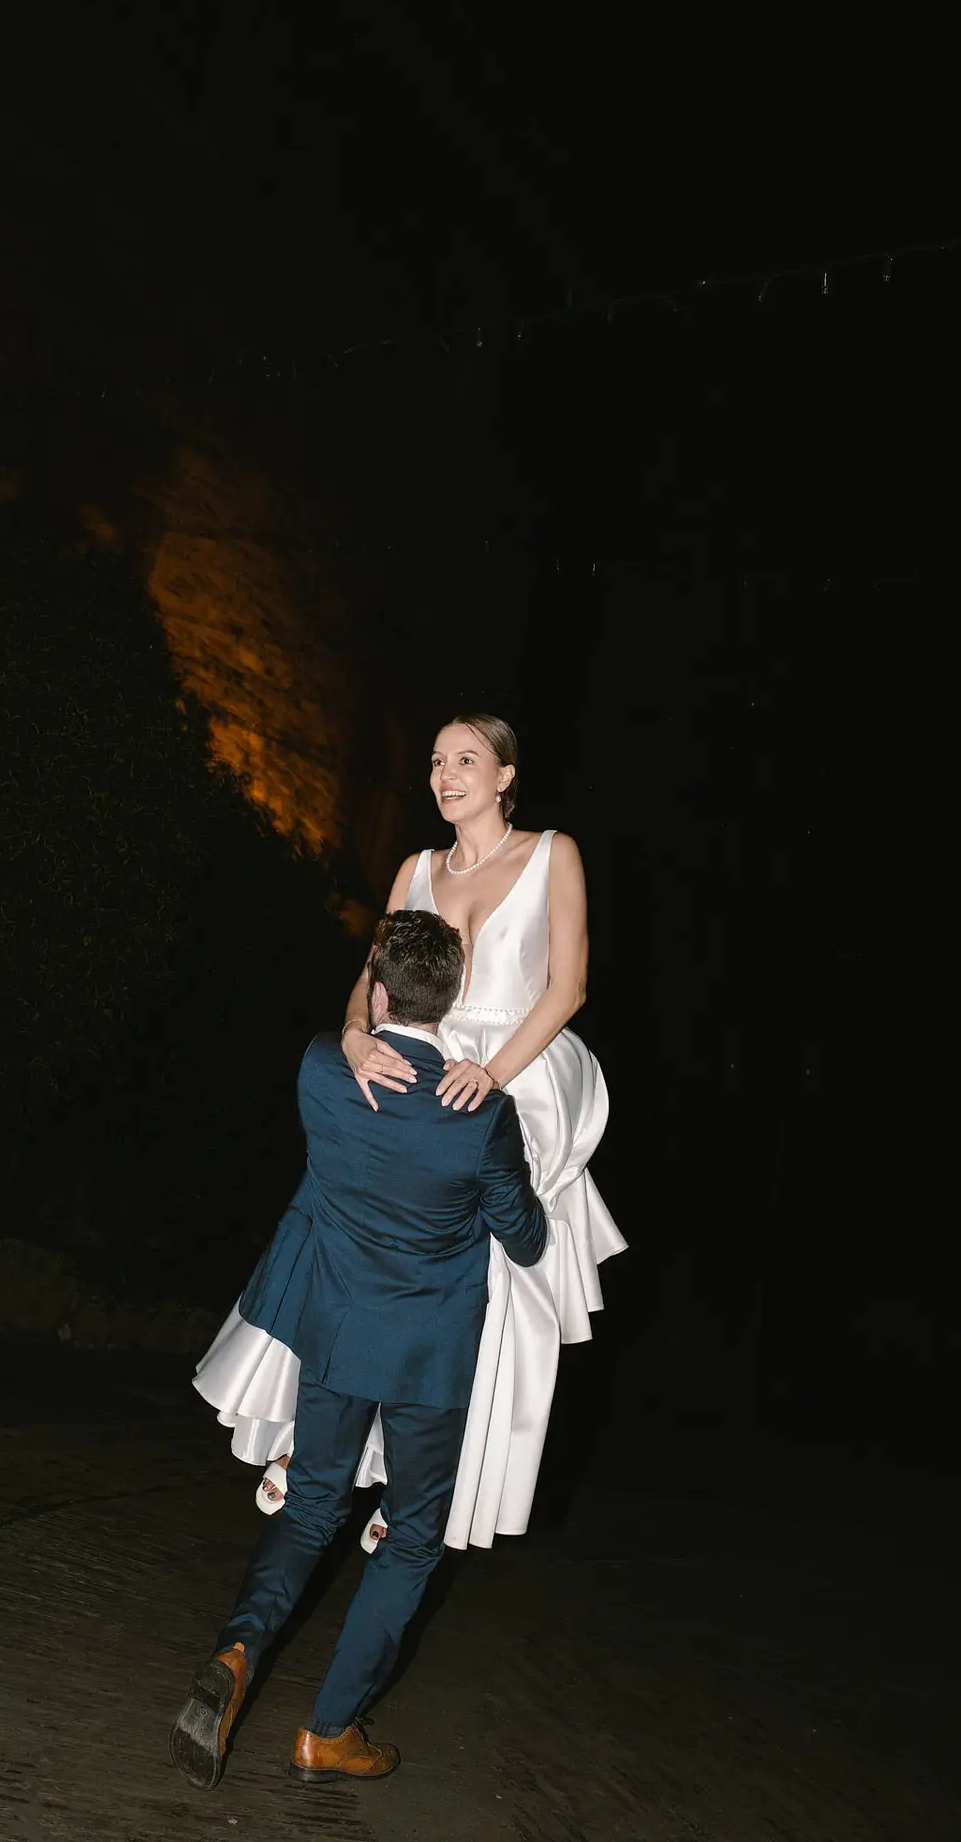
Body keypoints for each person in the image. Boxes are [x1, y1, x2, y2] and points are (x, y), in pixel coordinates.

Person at [195, 711, 625, 1549]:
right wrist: (356, 1034)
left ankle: (429, 1475)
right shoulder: (414, 869)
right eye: (434, 761)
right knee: (347, 1215)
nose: (444, 774)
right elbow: (370, 979)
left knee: (499, 1263)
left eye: (466, 759)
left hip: (516, 1068)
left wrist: (492, 1073)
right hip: (412, 1055)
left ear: (504, 775)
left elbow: (566, 987)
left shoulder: (551, 854)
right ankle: (305, 1431)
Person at [170, 909, 547, 1789]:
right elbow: (524, 1240)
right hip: (427, 1359)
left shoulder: (319, 1069)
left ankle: (234, 1653)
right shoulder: (480, 1111)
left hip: (335, 1336)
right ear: (450, 1001)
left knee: (311, 1511)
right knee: (413, 1539)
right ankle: (329, 1731)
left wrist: (350, 1027)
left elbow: (348, 1037)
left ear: (377, 989)